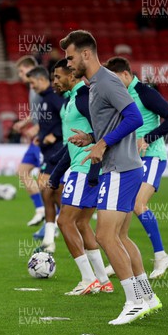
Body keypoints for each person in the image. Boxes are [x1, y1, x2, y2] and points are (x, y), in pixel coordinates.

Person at [61, 30, 161, 325]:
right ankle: (146, 295)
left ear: (86, 54)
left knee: (105, 236)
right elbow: (116, 123)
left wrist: (102, 144)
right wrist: (92, 137)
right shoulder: (94, 86)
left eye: (70, 57)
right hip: (121, 167)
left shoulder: (106, 81)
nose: (68, 64)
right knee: (119, 236)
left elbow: (135, 118)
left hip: (120, 168)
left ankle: (132, 302)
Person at [104, 57, 168, 279]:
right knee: (125, 207)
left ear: (126, 74)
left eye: (116, 79)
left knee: (138, 204)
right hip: (130, 160)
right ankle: (121, 257)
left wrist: (147, 138)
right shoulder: (121, 95)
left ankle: (160, 255)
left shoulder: (145, 92)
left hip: (152, 157)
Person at [48, 59, 113, 295]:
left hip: (86, 169)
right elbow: (74, 143)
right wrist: (56, 174)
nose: (54, 81)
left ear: (71, 76)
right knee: (83, 223)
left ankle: (88, 279)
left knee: (64, 222)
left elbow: (105, 129)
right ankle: (103, 279)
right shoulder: (73, 99)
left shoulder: (84, 97)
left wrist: (93, 171)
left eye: (57, 76)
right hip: (86, 168)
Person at [26, 66, 64, 253]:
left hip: (58, 151)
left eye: (32, 83)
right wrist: (41, 135)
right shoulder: (44, 99)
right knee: (48, 193)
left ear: (41, 80)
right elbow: (49, 122)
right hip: (48, 151)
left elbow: (67, 120)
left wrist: (55, 135)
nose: (32, 87)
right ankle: (50, 238)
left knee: (51, 192)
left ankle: (70, 226)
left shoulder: (55, 98)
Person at [14, 56, 45, 227]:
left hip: (45, 139)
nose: (20, 75)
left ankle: (54, 218)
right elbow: (37, 113)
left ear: (30, 68)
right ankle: (40, 210)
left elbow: (50, 112)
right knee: (22, 171)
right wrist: (24, 123)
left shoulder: (41, 86)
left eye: (21, 71)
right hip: (37, 139)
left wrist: (38, 128)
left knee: (45, 182)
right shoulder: (33, 88)